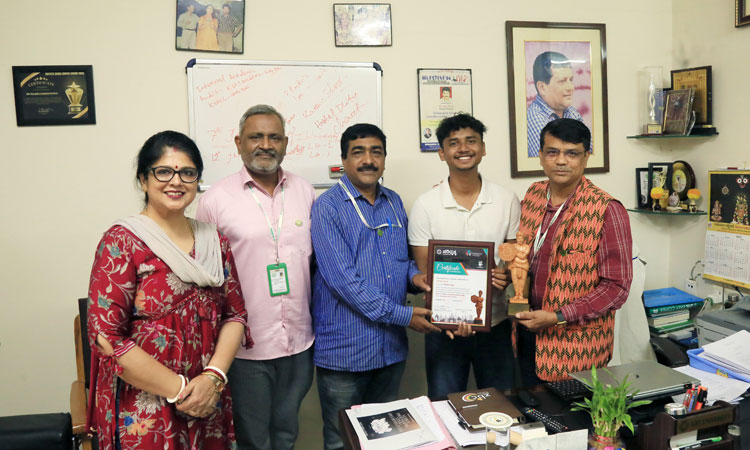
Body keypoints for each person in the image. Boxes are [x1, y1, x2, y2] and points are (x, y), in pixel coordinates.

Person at [87, 131, 252, 450]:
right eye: (163, 171)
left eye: (187, 173)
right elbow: (107, 337)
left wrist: (213, 378)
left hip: (208, 396)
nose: (176, 181)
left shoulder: (214, 241)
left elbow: (235, 315)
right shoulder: (122, 241)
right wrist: (180, 390)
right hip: (145, 405)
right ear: (143, 179)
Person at [311, 123, 441, 450]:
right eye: (358, 152)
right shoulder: (327, 208)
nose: (368, 160)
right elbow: (344, 282)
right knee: (341, 441)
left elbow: (401, 261)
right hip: (346, 353)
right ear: (344, 160)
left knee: (386, 439)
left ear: (384, 158)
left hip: (389, 350)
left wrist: (416, 277)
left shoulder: (393, 202)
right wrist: (404, 315)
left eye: (376, 152)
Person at [196, 104, 315, 450]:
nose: (266, 145)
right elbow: (205, 278)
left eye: (274, 137)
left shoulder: (305, 191)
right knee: (254, 440)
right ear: (239, 143)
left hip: (299, 341)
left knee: (287, 433)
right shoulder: (215, 200)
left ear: (285, 143)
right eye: (256, 137)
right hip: (246, 347)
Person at [408, 113, 521, 399]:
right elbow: (425, 273)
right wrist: (450, 314)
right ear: (441, 153)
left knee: (501, 406)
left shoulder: (507, 200)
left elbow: (514, 261)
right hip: (443, 329)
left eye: (471, 141)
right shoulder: (425, 205)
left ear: (483, 148)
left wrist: (506, 275)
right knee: (444, 406)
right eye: (454, 143)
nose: (463, 148)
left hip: (495, 325)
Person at [515, 118, 632, 385]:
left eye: (572, 153)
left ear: (585, 157)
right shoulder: (533, 195)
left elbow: (616, 288)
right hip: (525, 333)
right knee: (528, 407)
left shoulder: (607, 209)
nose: (561, 161)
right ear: (540, 156)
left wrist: (558, 317)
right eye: (552, 152)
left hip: (576, 348)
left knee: (571, 413)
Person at [526, 51, 584, 157]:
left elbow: (587, 154)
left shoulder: (571, 112)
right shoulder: (535, 119)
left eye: (571, 80)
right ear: (542, 87)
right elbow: (555, 161)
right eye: (562, 81)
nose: (570, 87)